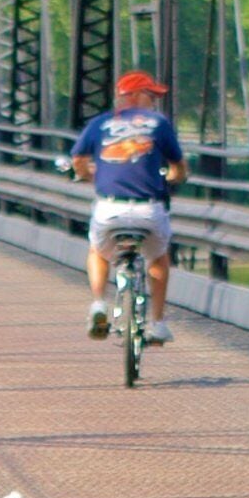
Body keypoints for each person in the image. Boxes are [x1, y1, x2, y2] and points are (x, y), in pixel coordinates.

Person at [67, 71, 186, 346]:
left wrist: (91, 176)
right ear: (134, 95)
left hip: (109, 209)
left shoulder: (100, 123)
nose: (155, 101)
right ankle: (157, 323)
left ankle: (98, 303)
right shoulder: (158, 123)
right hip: (149, 210)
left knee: (98, 252)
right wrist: (172, 177)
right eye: (151, 94)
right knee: (158, 258)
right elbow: (179, 166)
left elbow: (78, 160)